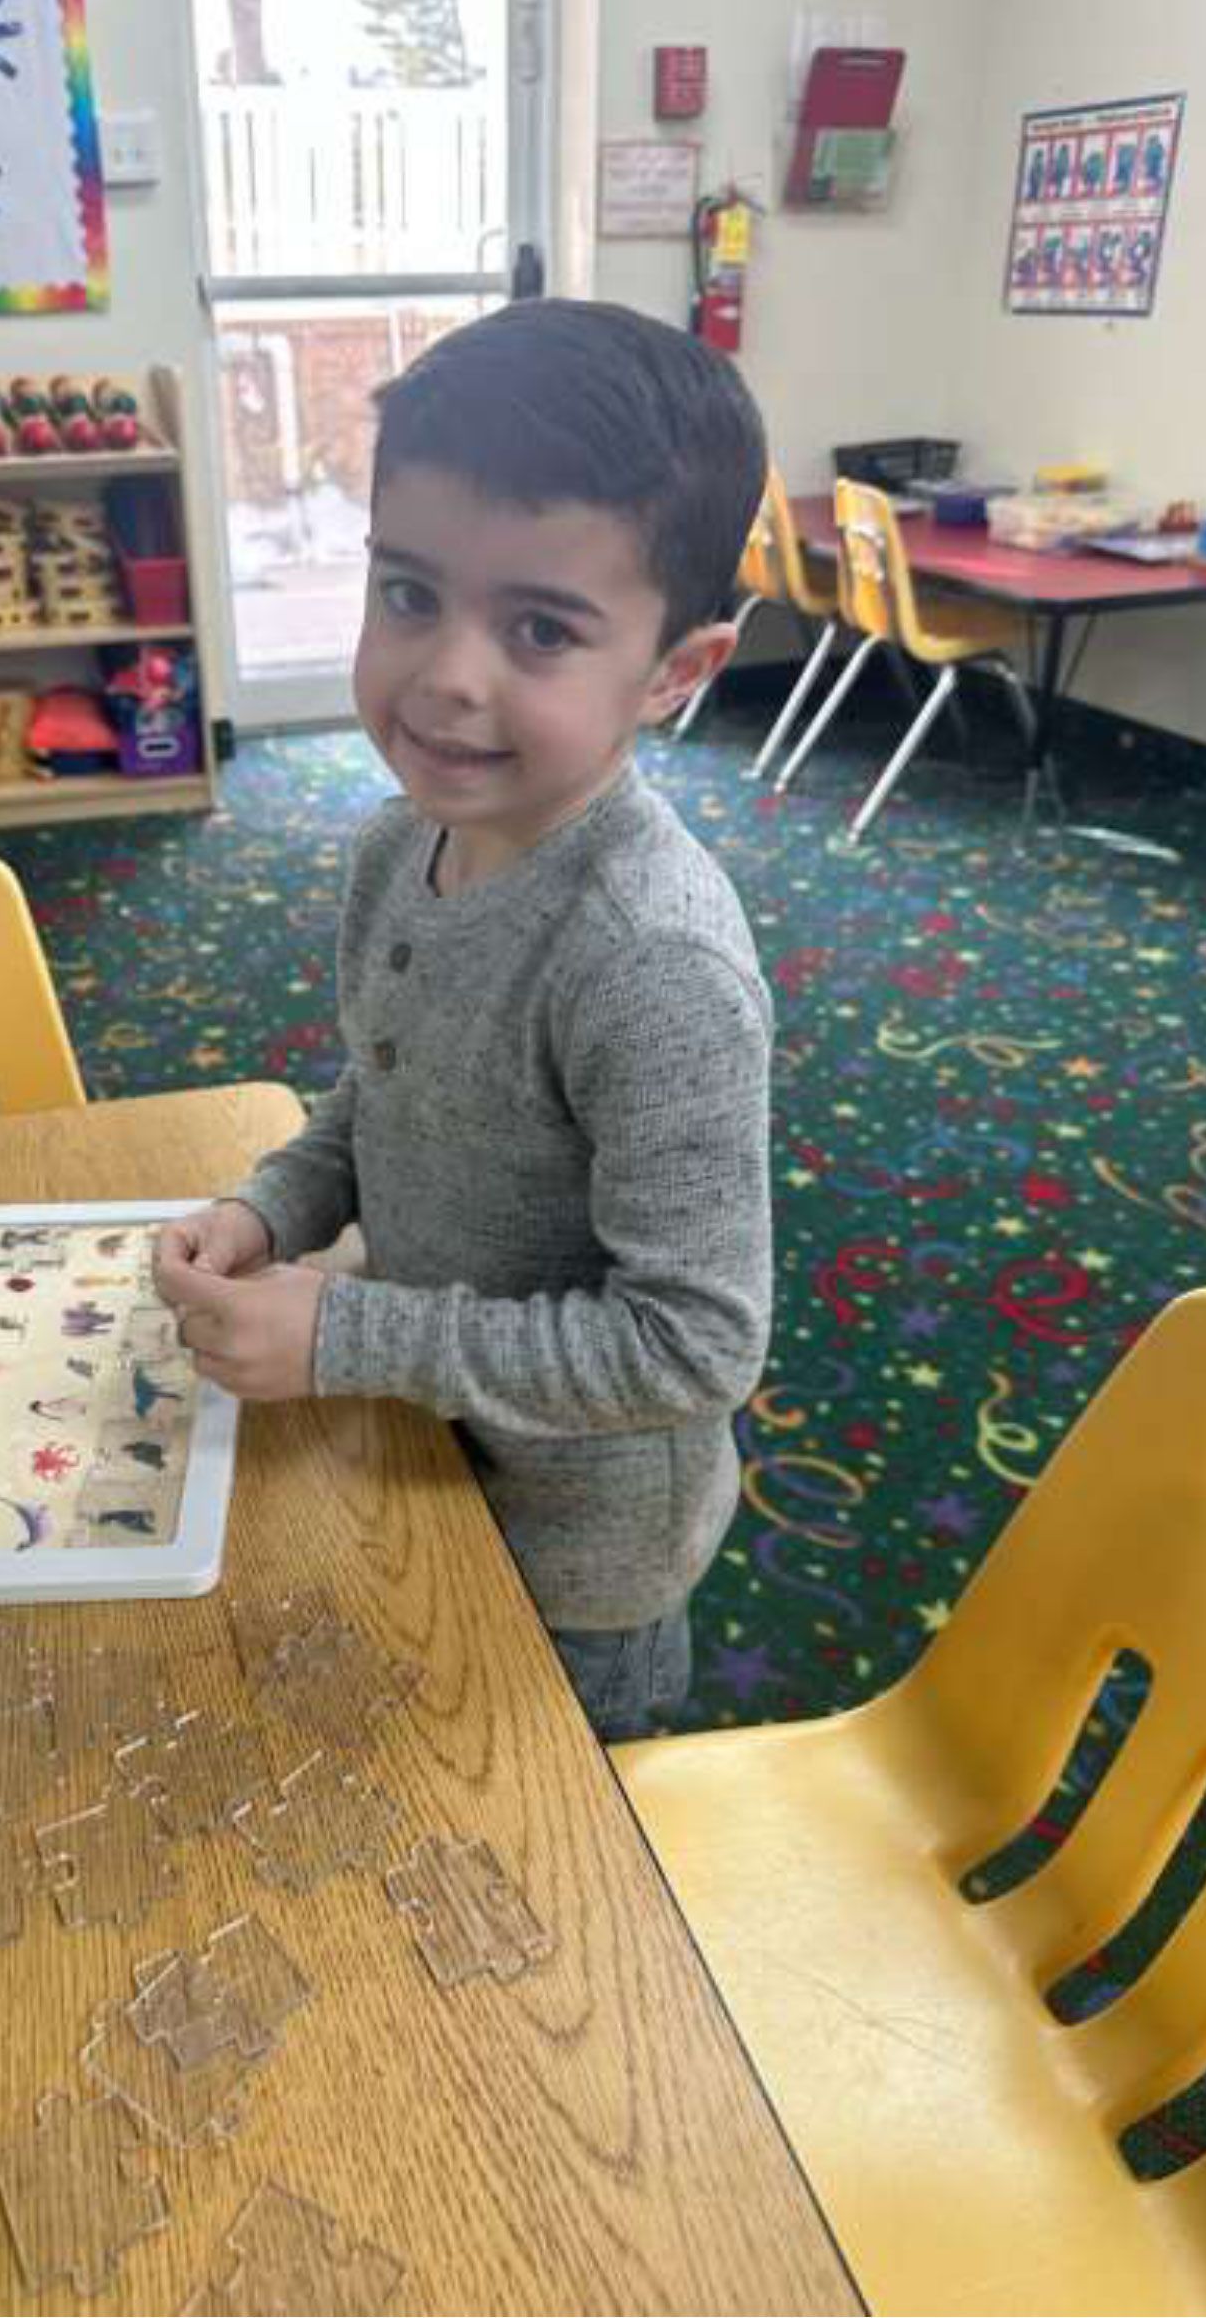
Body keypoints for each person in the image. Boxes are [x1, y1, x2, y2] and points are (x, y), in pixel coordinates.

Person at [155, 298, 773, 1741]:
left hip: (580, 1554)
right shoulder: (397, 845)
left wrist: (349, 1342)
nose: (445, 676)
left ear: (675, 673)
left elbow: (692, 1349)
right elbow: (386, 1095)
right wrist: (269, 1211)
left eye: (542, 629)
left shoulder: (651, 967)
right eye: (411, 593)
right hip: (421, 1444)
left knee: (554, 1868)